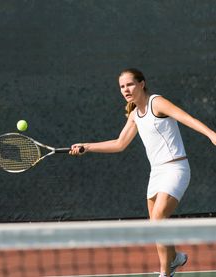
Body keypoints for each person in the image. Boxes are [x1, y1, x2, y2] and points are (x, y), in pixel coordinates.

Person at [69, 68, 216, 277]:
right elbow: (120, 144)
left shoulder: (157, 102)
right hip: (156, 173)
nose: (125, 89)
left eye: (129, 84)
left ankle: (165, 274)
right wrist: (87, 146)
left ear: (142, 84)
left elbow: (186, 118)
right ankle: (175, 258)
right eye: (122, 86)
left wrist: (211, 134)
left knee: (157, 219)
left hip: (176, 168)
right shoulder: (134, 114)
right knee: (157, 225)